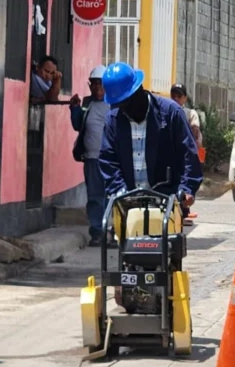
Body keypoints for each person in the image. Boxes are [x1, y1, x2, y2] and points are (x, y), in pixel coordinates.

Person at [98, 62, 202, 215]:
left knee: (167, 237)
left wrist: (187, 189)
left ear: (139, 90)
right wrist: (119, 190)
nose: (123, 109)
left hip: (167, 202)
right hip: (128, 204)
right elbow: (108, 160)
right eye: (118, 105)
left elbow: (188, 154)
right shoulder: (113, 120)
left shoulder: (171, 113)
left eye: (126, 103)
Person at [70, 66, 110, 242]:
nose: (97, 88)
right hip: (92, 158)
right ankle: (97, 232)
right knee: (94, 197)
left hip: (111, 160)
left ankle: (113, 231)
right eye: (93, 84)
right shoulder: (87, 103)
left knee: (112, 196)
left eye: (100, 84)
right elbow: (78, 125)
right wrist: (74, 109)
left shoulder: (114, 104)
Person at [170, 84, 203, 155]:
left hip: (186, 152)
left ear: (185, 98)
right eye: (173, 96)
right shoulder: (166, 112)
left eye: (179, 96)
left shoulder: (190, 113)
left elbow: (195, 133)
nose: (176, 99)